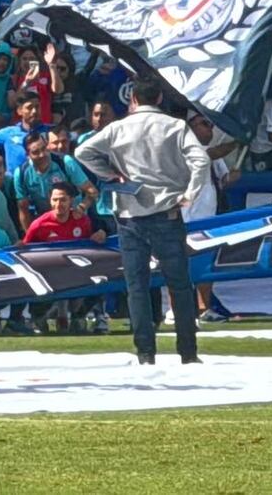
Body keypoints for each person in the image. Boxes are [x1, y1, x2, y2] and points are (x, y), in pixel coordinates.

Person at [75, 76, 210, 365]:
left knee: (137, 285)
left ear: (132, 99)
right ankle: (188, 351)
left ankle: (145, 353)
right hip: (167, 211)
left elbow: (81, 152)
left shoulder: (118, 128)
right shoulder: (175, 126)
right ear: (159, 98)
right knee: (180, 284)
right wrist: (190, 194)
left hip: (130, 214)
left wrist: (110, 173)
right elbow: (201, 160)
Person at [13, 132, 99, 231]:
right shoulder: (21, 173)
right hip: (46, 223)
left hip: (73, 220)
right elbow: (23, 208)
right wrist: (29, 236)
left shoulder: (64, 162)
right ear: (27, 155)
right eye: (35, 152)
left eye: (44, 149)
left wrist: (81, 208)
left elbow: (92, 191)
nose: (42, 155)